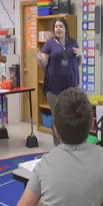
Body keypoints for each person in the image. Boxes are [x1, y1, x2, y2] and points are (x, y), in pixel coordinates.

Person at [36, 18, 83, 146]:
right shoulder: (49, 44)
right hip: (54, 86)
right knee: (57, 116)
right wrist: (40, 59)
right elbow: (44, 64)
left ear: (66, 28)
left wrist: (80, 55)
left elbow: (79, 62)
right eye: (56, 26)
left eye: (60, 26)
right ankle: (58, 146)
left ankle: (70, 143)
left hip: (71, 85)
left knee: (71, 115)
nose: (58, 28)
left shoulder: (72, 42)